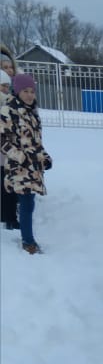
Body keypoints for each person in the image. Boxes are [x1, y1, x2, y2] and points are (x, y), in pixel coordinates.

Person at [0, 73, 52, 254]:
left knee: (29, 202)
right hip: (19, 167)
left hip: (33, 166)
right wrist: (20, 156)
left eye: (32, 91)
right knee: (26, 200)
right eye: (25, 91)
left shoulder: (32, 112)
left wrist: (45, 157)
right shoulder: (9, 111)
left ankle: (26, 236)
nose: (30, 95)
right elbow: (2, 140)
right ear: (17, 91)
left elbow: (35, 141)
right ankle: (28, 241)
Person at [0, 69, 19, 229]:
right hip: (4, 150)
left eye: (7, 86)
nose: (6, 89)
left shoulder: (9, 103)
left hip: (8, 152)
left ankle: (9, 217)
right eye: (3, 86)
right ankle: (7, 218)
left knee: (8, 186)